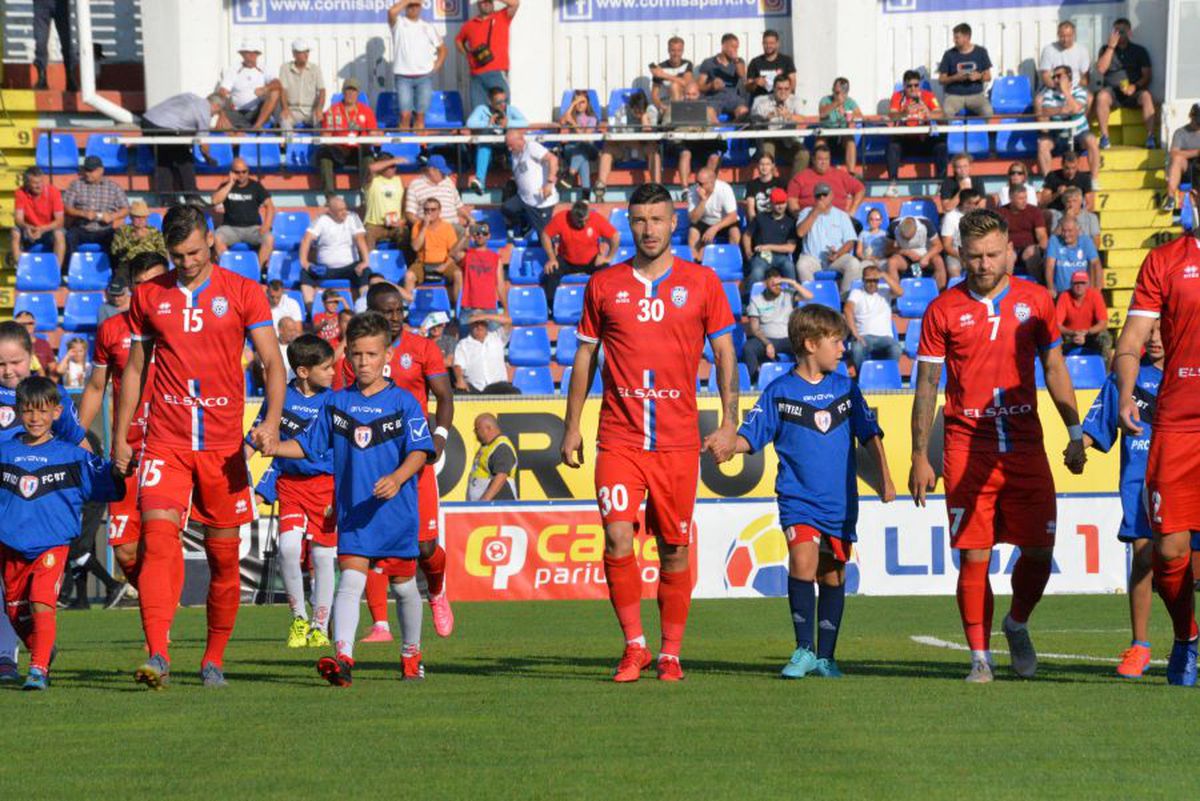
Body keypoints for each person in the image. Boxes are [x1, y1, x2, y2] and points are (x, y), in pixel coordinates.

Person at [560, 181, 740, 682]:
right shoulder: (604, 284)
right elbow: (584, 354)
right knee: (618, 537)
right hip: (618, 437)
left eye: (657, 219)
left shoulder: (702, 282)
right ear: (628, 223)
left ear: (673, 223)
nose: (649, 228)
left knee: (674, 548)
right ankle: (634, 646)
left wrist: (729, 422)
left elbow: (725, 353)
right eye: (639, 219)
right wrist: (571, 425)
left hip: (678, 441)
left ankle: (671, 653)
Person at [113, 203, 286, 690]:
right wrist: (123, 436)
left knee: (224, 560)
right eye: (176, 254)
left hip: (223, 445)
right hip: (165, 441)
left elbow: (274, 364)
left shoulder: (243, 292)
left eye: (192, 252)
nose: (185, 262)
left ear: (210, 240)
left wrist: (269, 423)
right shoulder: (148, 296)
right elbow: (134, 370)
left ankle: (213, 658)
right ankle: (158, 653)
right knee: (159, 539)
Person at [910, 208, 1087, 683]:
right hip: (968, 445)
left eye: (992, 254)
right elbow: (927, 383)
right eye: (974, 257)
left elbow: (1054, 369)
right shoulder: (943, 309)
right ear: (960, 254)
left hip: (1026, 444)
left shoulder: (1035, 301)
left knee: (1038, 550)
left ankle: (1017, 623)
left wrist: (1074, 433)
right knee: (974, 554)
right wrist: (919, 455)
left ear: (1009, 249)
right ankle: (979, 658)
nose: (984, 264)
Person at [267, 312, 435, 685]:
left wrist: (397, 477)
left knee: (405, 586)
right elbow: (308, 446)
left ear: (387, 356)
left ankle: (411, 655)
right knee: (351, 582)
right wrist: (275, 445)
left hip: (396, 511)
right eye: (356, 355)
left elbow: (420, 451)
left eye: (372, 354)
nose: (363, 362)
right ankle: (343, 658)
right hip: (355, 511)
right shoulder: (336, 403)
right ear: (348, 356)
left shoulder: (404, 402)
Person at [731, 305, 894, 678]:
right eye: (836, 342)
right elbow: (751, 435)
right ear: (810, 344)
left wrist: (884, 477)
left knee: (833, 575)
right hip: (797, 497)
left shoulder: (846, 390)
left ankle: (826, 657)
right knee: (803, 562)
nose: (842, 349)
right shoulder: (780, 391)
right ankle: (803, 649)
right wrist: (729, 446)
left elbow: (869, 434)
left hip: (839, 501)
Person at [1113, 164, 1200, 684]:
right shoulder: (1166, 261)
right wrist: (1126, 392)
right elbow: (1131, 340)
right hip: (1179, 423)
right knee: (1168, 550)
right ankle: (1186, 637)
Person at [337, 283, 457, 641]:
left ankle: (436, 590)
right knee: (369, 545)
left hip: (413, 459)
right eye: (385, 311)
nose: (393, 317)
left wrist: (438, 440)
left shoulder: (422, 348)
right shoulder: (360, 355)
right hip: (371, 461)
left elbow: (444, 397)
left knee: (424, 546)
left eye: (397, 311)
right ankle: (379, 623)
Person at [0, 377, 123, 689]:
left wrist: (123, 469)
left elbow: (107, 482)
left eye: (42, 411)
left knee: (42, 600)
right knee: (14, 610)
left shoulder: (73, 456)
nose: (35, 418)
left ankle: (39, 669)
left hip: (52, 544)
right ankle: (43, 648)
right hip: (11, 546)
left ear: (56, 412)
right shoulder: (5, 452)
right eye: (28, 411)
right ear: (18, 412)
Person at [77, 254, 168, 593]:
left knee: (160, 539)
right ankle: (155, 602)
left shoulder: (181, 326)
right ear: (131, 288)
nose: (148, 292)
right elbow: (96, 387)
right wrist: (75, 438)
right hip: (126, 449)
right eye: (141, 285)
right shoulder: (112, 329)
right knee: (126, 549)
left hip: (168, 447)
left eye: (155, 284)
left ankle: (160, 615)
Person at [1081, 320, 1163, 678]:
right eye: (1151, 330)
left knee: (1187, 568)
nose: (1156, 337)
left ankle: (1184, 642)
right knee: (1144, 557)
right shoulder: (1126, 378)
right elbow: (1099, 423)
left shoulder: (1188, 376)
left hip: (1185, 480)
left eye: (1163, 329)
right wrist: (1076, 448)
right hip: (1140, 483)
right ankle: (1140, 646)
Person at [245, 334, 337, 648]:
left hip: (326, 486)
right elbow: (257, 436)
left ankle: (320, 625)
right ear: (303, 371)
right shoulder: (279, 397)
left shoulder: (333, 401)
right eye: (326, 368)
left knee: (324, 558)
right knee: (288, 549)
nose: (332, 373)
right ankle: (298, 617)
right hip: (291, 486)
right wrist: (238, 466)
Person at [140, 92, 225, 201]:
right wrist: (208, 158)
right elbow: (203, 143)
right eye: (215, 113)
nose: (213, 115)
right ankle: (192, 196)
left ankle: (167, 199)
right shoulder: (204, 111)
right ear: (216, 106)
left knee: (162, 159)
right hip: (162, 127)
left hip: (147, 121)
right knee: (184, 157)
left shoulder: (191, 96)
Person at [1094, 18, 1157, 150]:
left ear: (1129, 33)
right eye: (1115, 31)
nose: (1118, 34)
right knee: (1101, 96)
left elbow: (1147, 76)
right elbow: (1100, 69)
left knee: (1146, 96)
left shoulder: (1140, 51)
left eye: (1121, 31)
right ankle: (1105, 138)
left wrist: (1135, 87)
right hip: (1112, 92)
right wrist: (1111, 47)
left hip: (1133, 91)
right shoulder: (1106, 49)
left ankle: (1150, 137)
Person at [539, 200, 619, 303]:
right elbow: (545, 235)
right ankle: (551, 305)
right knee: (550, 272)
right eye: (580, 221)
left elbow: (615, 236)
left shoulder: (595, 218)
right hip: (566, 260)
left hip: (591, 260)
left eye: (586, 220)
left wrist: (608, 258)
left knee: (606, 273)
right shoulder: (561, 218)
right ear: (572, 217)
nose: (584, 223)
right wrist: (552, 258)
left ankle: (606, 304)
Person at [298, 195, 371, 305]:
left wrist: (365, 261)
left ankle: (364, 305)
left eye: (345, 208)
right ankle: (310, 308)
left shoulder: (353, 217)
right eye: (340, 210)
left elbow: (360, 238)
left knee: (365, 271)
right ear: (331, 211)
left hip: (350, 267)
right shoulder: (321, 219)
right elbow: (306, 239)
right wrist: (304, 262)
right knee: (305, 273)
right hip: (325, 269)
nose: (344, 212)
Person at [795, 183, 863, 294]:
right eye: (818, 195)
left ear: (831, 195)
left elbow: (850, 241)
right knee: (802, 265)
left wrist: (838, 254)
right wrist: (815, 212)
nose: (822, 198)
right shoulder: (806, 212)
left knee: (854, 264)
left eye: (825, 194)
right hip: (812, 258)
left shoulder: (842, 215)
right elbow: (800, 232)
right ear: (814, 197)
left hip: (836, 258)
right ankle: (812, 299)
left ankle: (844, 300)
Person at [388, 0, 446, 130]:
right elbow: (391, 12)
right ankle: (403, 149)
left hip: (424, 78)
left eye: (416, 5)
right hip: (403, 77)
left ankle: (419, 148)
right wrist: (409, 0)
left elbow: (442, 49)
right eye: (410, 6)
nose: (413, 8)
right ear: (405, 7)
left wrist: (436, 65)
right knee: (405, 115)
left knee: (420, 116)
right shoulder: (399, 23)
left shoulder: (428, 27)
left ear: (421, 8)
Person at [1036, 66, 1101, 183]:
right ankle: (1048, 181)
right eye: (1054, 77)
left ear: (1069, 78)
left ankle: (1094, 180)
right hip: (1058, 135)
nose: (1055, 79)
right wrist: (1063, 109)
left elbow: (1076, 109)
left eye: (1059, 76)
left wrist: (1065, 91)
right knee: (1043, 144)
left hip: (1079, 134)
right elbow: (1046, 111)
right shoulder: (1049, 94)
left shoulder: (1080, 91)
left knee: (1092, 140)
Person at [885, 70, 947, 191]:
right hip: (906, 139)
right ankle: (892, 184)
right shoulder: (898, 96)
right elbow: (892, 116)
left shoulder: (928, 95)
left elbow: (941, 114)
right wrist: (904, 113)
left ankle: (942, 184)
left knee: (941, 145)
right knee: (892, 145)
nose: (913, 89)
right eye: (909, 86)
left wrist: (929, 113)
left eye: (916, 85)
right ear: (904, 86)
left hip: (923, 139)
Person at [455, 0, 520, 114]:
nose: (486, 3)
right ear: (478, 4)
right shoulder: (469, 25)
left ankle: (502, 131)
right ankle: (482, 131)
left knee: (502, 110)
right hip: (476, 75)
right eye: (483, 2)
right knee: (479, 112)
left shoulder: (502, 16)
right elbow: (458, 40)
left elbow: (515, 3)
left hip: (497, 72)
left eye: (489, 1)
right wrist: (467, 53)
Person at [742, 269, 809, 381]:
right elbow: (755, 329)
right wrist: (767, 343)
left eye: (779, 284)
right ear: (765, 284)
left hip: (788, 338)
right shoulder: (756, 300)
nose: (777, 287)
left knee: (804, 345)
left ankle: (805, 378)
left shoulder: (788, 294)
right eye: (773, 284)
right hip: (766, 339)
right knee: (748, 348)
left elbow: (808, 296)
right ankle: (754, 380)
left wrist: (791, 282)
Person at [315, 79, 378, 196]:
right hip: (339, 151)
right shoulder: (332, 110)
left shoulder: (366, 111)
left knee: (368, 156)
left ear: (358, 93)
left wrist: (368, 137)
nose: (350, 94)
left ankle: (366, 194)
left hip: (358, 151)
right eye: (348, 90)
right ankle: (330, 197)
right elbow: (325, 137)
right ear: (343, 92)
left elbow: (376, 140)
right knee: (324, 156)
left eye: (353, 91)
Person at [595, 89, 661, 200]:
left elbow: (651, 137)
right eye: (636, 111)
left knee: (654, 153)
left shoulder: (652, 111)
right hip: (625, 148)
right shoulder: (621, 111)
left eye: (641, 111)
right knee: (607, 150)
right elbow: (615, 133)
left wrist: (644, 119)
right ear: (630, 107)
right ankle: (600, 188)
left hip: (643, 148)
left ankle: (658, 189)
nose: (638, 114)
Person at [212, 159, 275, 269]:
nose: (241, 175)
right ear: (231, 172)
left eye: (244, 171)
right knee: (217, 237)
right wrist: (230, 183)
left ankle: (256, 272)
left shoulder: (256, 186)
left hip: (253, 229)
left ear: (248, 171)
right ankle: (229, 271)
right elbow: (215, 200)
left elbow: (270, 206)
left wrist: (267, 225)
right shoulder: (225, 185)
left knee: (269, 238)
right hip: (230, 228)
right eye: (237, 172)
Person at [63, 156, 129, 258]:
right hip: (82, 228)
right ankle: (67, 271)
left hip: (105, 229)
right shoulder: (76, 185)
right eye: (86, 170)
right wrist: (82, 213)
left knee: (117, 239)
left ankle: (116, 271)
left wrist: (112, 216)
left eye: (91, 171)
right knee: (70, 236)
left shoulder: (113, 187)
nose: (87, 173)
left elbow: (126, 209)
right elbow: (66, 207)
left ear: (100, 170)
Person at [466, 87, 529, 192]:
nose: (503, 104)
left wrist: (508, 123)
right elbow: (470, 123)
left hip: (506, 145)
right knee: (484, 146)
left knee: (516, 147)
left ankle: (520, 182)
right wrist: (488, 123)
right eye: (499, 102)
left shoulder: (510, 110)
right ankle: (480, 182)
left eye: (505, 100)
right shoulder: (482, 109)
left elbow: (525, 122)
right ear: (490, 101)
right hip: (489, 146)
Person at [500, 130, 558, 244]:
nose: (509, 149)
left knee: (545, 237)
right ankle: (526, 224)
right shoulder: (515, 154)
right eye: (508, 146)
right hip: (523, 198)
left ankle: (552, 259)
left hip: (540, 201)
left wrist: (550, 183)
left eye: (511, 145)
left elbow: (553, 159)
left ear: (520, 140)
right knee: (507, 208)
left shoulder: (532, 147)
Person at [661, 80, 722, 188]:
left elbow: (710, 129)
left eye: (693, 94)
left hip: (700, 141)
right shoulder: (672, 108)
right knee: (686, 154)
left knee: (714, 157)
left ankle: (706, 187)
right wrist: (675, 123)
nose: (690, 97)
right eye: (688, 94)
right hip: (679, 142)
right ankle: (685, 189)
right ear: (683, 94)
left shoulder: (705, 110)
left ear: (698, 95)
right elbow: (664, 126)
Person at [845, 264, 903, 372]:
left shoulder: (885, 290)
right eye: (868, 280)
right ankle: (861, 376)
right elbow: (848, 309)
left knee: (896, 349)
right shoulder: (856, 292)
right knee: (857, 349)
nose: (872, 283)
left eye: (875, 280)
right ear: (863, 280)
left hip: (885, 337)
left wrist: (884, 275)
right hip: (864, 336)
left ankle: (888, 375)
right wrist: (855, 333)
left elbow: (900, 292)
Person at [406, 196, 464, 301]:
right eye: (426, 210)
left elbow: (454, 252)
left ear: (439, 211)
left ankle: (457, 310)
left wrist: (444, 265)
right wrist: (424, 227)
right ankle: (410, 308)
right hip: (422, 263)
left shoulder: (447, 227)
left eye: (433, 210)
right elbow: (415, 247)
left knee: (458, 274)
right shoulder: (418, 226)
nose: (429, 213)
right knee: (409, 275)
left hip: (444, 262)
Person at [218, 41, 281, 129]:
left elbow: (277, 83)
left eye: (254, 53)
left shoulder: (264, 68)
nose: (251, 56)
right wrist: (225, 107)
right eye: (248, 53)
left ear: (257, 55)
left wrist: (265, 89)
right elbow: (222, 92)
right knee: (219, 106)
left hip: (258, 113)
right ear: (242, 55)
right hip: (237, 112)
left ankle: (257, 126)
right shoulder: (233, 69)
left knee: (275, 92)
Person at [787, 145, 865, 216]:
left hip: (836, 221)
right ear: (813, 160)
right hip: (810, 219)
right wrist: (800, 217)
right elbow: (792, 200)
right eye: (820, 159)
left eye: (826, 159)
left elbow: (860, 189)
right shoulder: (800, 177)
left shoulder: (840, 175)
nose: (823, 162)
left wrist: (852, 211)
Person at [12, 166, 65, 270]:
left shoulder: (53, 192)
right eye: (35, 183)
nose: (39, 186)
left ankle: (56, 272)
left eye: (41, 182)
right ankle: (21, 270)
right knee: (15, 232)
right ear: (27, 183)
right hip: (29, 229)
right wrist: (27, 227)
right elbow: (18, 219)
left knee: (59, 234)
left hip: (48, 230)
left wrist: (42, 229)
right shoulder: (20, 193)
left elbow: (60, 221)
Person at [743, 188, 799, 286]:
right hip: (762, 256)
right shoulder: (760, 218)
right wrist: (748, 251)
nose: (780, 206)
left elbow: (791, 248)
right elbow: (747, 235)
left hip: (781, 257)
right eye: (777, 203)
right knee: (757, 273)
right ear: (772, 204)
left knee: (789, 267)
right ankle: (750, 297)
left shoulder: (790, 222)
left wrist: (768, 247)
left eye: (783, 203)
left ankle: (792, 296)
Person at [936, 22, 993, 118]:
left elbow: (988, 77)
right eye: (954, 37)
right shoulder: (949, 54)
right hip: (954, 96)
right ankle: (952, 133)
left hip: (976, 95)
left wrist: (978, 76)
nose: (954, 40)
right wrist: (955, 78)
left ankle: (979, 133)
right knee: (946, 112)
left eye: (957, 37)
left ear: (967, 37)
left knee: (988, 112)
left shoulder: (981, 52)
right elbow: (941, 80)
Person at [404, 155, 474, 233]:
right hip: (430, 228)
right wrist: (424, 226)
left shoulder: (448, 181)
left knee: (465, 232)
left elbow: (459, 206)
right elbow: (410, 215)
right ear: (431, 170)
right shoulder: (415, 185)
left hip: (452, 226)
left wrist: (469, 218)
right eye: (442, 172)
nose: (445, 175)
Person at [749, 75, 806, 169]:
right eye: (779, 88)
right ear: (773, 88)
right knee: (767, 151)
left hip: (789, 141)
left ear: (791, 89)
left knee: (803, 154)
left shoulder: (796, 100)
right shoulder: (760, 100)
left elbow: (803, 121)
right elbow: (753, 122)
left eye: (786, 89)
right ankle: (769, 183)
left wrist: (789, 116)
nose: (783, 92)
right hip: (768, 140)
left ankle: (795, 183)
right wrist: (767, 118)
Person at [455, 222, 507, 322]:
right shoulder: (467, 254)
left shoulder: (496, 258)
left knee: (492, 337)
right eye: (477, 233)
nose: (480, 235)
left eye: (484, 233)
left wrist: (506, 308)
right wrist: (465, 236)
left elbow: (500, 285)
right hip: (468, 306)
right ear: (473, 235)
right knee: (465, 338)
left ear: (489, 236)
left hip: (489, 307)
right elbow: (453, 254)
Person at [1055, 271, 1111, 360]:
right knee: (1054, 340)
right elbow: (1057, 324)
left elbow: (1103, 323)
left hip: (1090, 334)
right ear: (1071, 284)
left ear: (1087, 284)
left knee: (1104, 338)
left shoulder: (1095, 295)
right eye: (1076, 283)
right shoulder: (1064, 296)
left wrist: (1087, 332)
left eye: (1082, 283)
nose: (1079, 286)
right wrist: (1073, 333)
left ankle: (1104, 372)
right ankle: (1058, 370)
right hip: (1069, 335)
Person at [1037, 20, 1091, 112]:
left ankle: (1083, 125)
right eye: (1062, 36)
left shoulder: (1082, 50)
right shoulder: (1049, 49)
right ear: (1058, 35)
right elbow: (1045, 76)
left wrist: (1073, 88)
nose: (1065, 39)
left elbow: (1085, 78)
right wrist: (1058, 87)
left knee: (1089, 98)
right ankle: (1043, 127)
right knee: (1038, 101)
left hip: (1074, 87)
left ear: (1074, 34)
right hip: (1053, 86)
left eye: (1069, 36)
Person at [686, 167, 739, 261]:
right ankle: (695, 263)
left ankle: (732, 261)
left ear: (712, 182)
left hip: (723, 221)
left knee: (735, 233)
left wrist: (715, 228)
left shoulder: (725, 189)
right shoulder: (693, 191)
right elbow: (693, 219)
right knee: (693, 233)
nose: (698, 186)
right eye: (697, 182)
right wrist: (703, 201)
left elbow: (733, 216)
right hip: (704, 220)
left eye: (701, 184)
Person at [453, 312, 513, 393]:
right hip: (475, 388)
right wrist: (460, 379)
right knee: (459, 392)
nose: (479, 326)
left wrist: (484, 316)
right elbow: (458, 365)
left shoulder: (497, 337)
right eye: (476, 323)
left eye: (482, 323)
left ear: (487, 325)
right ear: (471, 326)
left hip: (499, 386)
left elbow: (508, 321)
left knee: (514, 392)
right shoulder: (463, 344)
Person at [998, 184, 1047, 278]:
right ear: (1011, 198)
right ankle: (1007, 284)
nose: (1024, 201)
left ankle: (1037, 284)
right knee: (1009, 255)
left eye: (1025, 197)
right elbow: (996, 235)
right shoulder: (1001, 213)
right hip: (1009, 247)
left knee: (1032, 252)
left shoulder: (1034, 211)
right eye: (1020, 198)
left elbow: (1041, 235)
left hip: (1028, 247)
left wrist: (1043, 250)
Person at [466, 413, 518, 501]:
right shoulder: (488, 446)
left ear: (489, 428)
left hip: (497, 507)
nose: (475, 432)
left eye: (477, 429)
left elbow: (501, 476)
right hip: (485, 506)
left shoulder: (501, 448)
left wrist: (484, 501)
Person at [110, 200, 167, 279]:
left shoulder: (154, 232)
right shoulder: (122, 231)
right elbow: (115, 251)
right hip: (129, 267)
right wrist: (134, 239)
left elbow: (163, 252)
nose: (141, 220)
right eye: (137, 217)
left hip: (151, 266)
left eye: (143, 217)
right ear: (131, 217)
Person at [362, 155, 409, 251]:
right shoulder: (372, 180)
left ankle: (406, 264)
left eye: (394, 166)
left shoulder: (399, 180)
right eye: (391, 166)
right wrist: (393, 161)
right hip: (374, 225)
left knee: (405, 234)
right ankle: (368, 264)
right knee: (367, 235)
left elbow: (405, 203)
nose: (394, 169)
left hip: (395, 224)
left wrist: (403, 220)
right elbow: (371, 168)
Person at [697, 33, 748, 121]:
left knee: (743, 111)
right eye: (732, 47)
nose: (735, 50)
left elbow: (742, 75)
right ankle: (716, 133)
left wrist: (735, 60)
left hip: (733, 98)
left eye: (737, 47)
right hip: (714, 98)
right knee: (708, 112)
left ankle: (736, 132)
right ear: (723, 46)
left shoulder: (739, 61)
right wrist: (711, 86)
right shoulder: (708, 63)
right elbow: (699, 86)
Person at [817, 77, 862, 174]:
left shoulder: (850, 102)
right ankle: (818, 172)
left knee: (850, 140)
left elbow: (860, 116)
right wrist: (836, 103)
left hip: (842, 137)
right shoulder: (825, 100)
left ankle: (851, 173)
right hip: (828, 135)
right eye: (837, 92)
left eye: (843, 92)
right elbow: (822, 113)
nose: (840, 95)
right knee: (820, 140)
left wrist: (847, 114)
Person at [278, 39, 325, 131]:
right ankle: (290, 144)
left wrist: (319, 109)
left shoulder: (315, 69)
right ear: (294, 54)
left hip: (311, 110)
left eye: (307, 51)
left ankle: (318, 145)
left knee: (320, 123)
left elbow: (322, 91)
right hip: (292, 109)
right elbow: (283, 90)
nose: (306, 54)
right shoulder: (285, 68)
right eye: (302, 52)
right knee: (284, 122)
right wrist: (285, 108)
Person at [1045, 218, 1102, 295]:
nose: (1066, 234)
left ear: (1077, 230)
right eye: (1063, 231)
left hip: (1082, 293)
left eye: (1069, 231)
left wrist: (1097, 288)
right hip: (1061, 293)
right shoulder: (1054, 241)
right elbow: (1049, 266)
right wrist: (1050, 288)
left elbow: (1096, 264)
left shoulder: (1086, 241)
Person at [886, 215, 945, 288]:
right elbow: (887, 249)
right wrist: (905, 252)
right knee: (891, 262)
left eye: (910, 238)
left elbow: (938, 246)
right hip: (904, 258)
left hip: (925, 255)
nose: (909, 241)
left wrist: (926, 257)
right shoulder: (893, 226)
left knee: (938, 261)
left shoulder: (926, 224)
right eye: (905, 238)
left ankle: (940, 291)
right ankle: (896, 293)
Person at [559, 90, 600, 192]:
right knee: (582, 157)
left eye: (583, 102)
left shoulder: (592, 119)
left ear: (588, 104)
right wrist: (573, 104)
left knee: (583, 146)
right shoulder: (571, 116)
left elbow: (585, 137)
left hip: (590, 148)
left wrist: (573, 122)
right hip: (571, 149)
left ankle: (570, 175)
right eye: (577, 102)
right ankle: (586, 197)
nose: (580, 105)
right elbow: (562, 121)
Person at [939, 188, 985, 278]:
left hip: (976, 252)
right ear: (966, 203)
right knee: (954, 270)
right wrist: (962, 257)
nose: (978, 205)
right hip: (956, 253)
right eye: (976, 203)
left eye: (978, 202)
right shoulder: (950, 217)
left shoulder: (980, 216)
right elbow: (947, 246)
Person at [1164, 103, 1200, 212]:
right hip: (1187, 169)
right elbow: (1174, 153)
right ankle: (1170, 198)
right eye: (1198, 121)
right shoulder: (1181, 133)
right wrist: (1197, 152)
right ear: (1191, 116)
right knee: (1177, 160)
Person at [33, 0, 76, 91]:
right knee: (40, 41)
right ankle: (42, 78)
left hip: (61, 3)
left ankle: (70, 78)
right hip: (42, 3)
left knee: (66, 40)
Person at [745, 29, 795, 100]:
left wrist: (785, 98)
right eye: (765, 43)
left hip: (782, 100)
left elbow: (792, 83)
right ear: (762, 43)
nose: (768, 46)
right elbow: (747, 88)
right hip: (761, 101)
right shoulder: (755, 62)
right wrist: (755, 83)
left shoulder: (786, 60)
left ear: (777, 44)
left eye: (771, 43)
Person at [649, 36, 693, 112]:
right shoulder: (660, 67)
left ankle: (676, 114)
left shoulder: (687, 64)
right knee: (651, 110)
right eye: (673, 50)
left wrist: (663, 75)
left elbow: (687, 83)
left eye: (679, 50)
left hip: (683, 102)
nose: (676, 54)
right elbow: (654, 95)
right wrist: (661, 106)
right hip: (665, 103)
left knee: (674, 86)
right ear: (668, 50)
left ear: (683, 51)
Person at [743, 154, 787, 223]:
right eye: (762, 164)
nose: (764, 167)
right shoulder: (751, 184)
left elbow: (784, 206)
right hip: (759, 222)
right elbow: (751, 210)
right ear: (757, 166)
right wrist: (755, 226)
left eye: (767, 164)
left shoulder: (781, 183)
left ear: (773, 165)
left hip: (777, 221)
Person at [14, 312, 56, 377]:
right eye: (22, 324)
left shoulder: (44, 344)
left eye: (30, 323)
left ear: (35, 324)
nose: (26, 326)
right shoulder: (10, 345)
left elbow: (53, 370)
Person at [856, 207, 891, 272]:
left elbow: (889, 251)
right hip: (867, 260)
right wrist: (866, 258)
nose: (874, 221)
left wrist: (879, 258)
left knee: (888, 266)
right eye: (871, 219)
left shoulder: (885, 234)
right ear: (868, 220)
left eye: (877, 219)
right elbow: (859, 252)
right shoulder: (863, 234)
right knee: (861, 268)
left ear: (881, 221)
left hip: (881, 260)